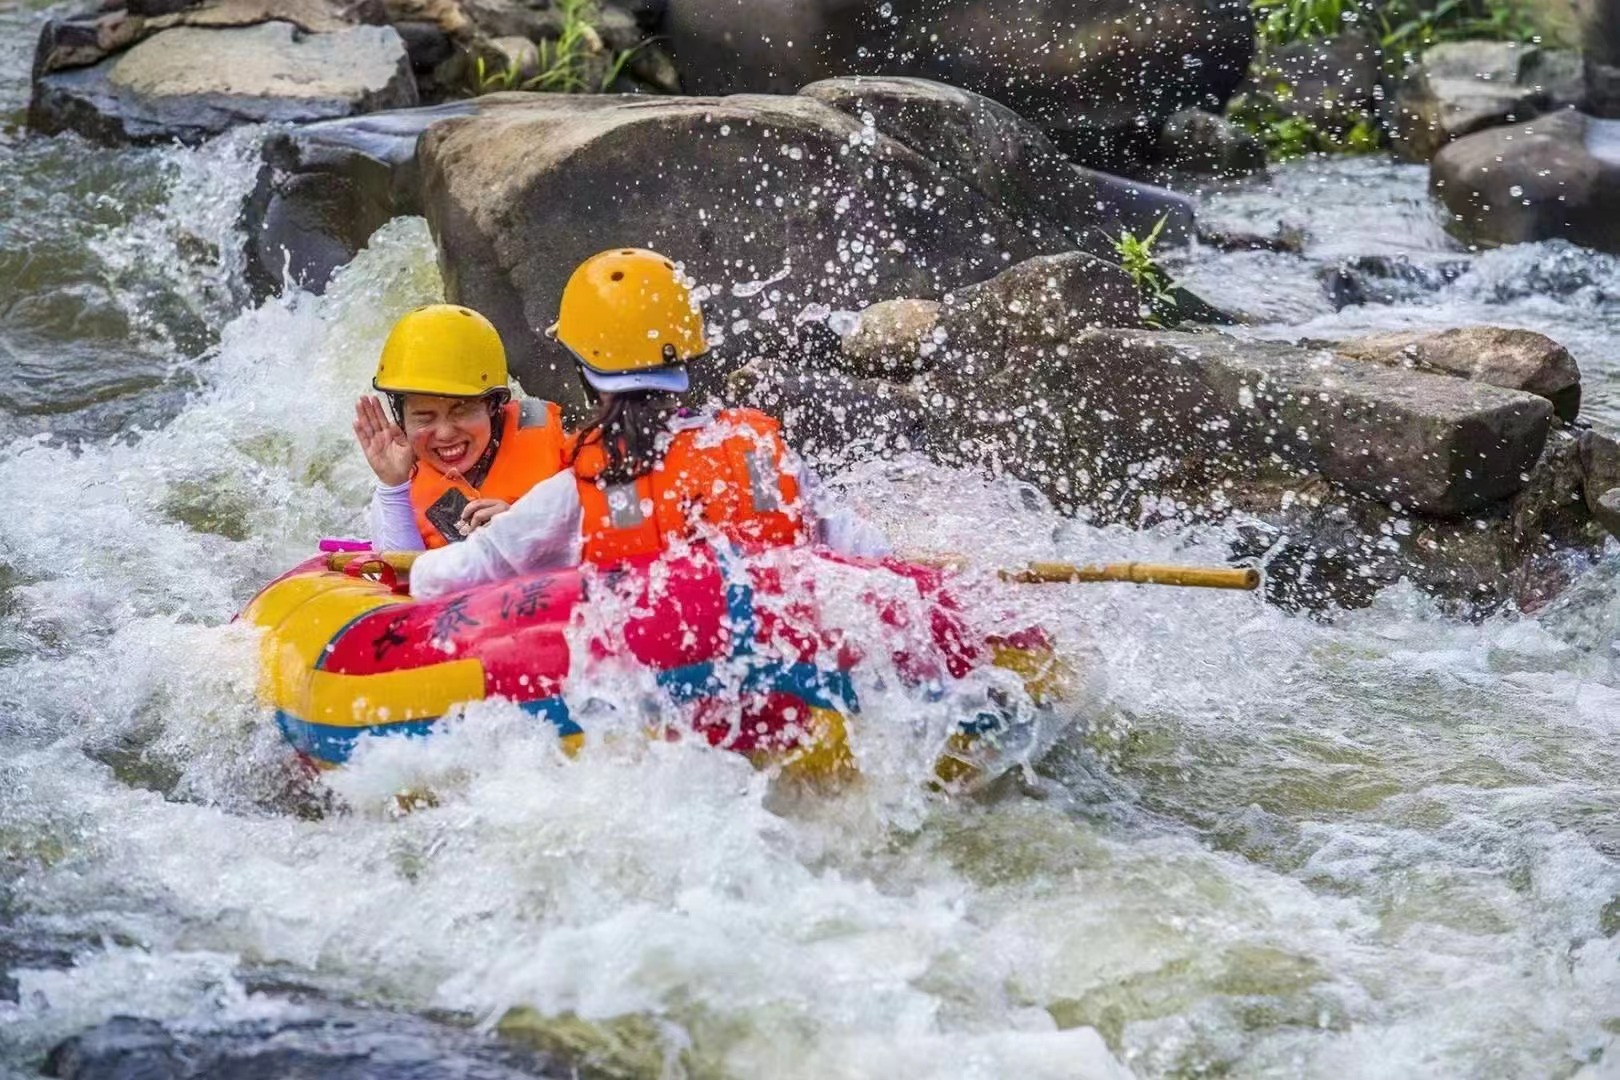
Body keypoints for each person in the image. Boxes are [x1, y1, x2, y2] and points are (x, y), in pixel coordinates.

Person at [410, 248, 887, 599]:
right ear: (688, 360)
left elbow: (450, 577)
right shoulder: (759, 452)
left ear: (584, 373)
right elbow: (867, 550)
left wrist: (408, 571)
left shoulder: (581, 488)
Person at [355, 304, 567, 551]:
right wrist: (392, 484)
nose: (445, 433)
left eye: (462, 411)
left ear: (492, 405)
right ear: (401, 419)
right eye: (424, 417)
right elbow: (400, 579)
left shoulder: (558, 452)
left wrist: (524, 530)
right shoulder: (399, 486)